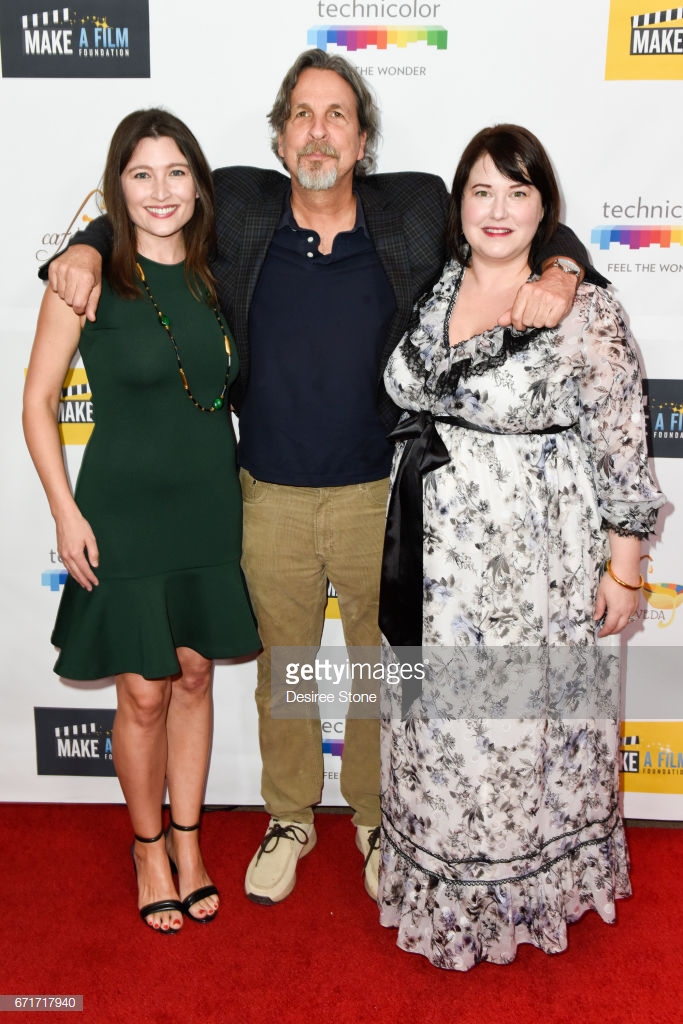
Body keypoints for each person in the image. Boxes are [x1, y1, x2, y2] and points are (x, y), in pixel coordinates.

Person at [42, 50, 603, 906]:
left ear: (363, 137)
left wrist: (563, 268)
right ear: (277, 138)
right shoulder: (236, 203)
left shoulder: (412, 209)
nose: (318, 131)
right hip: (265, 492)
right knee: (289, 671)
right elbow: (135, 204)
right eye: (301, 115)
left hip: (384, 492)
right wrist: (82, 245)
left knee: (386, 669)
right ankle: (291, 816)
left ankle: (378, 813)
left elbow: (519, 210)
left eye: (336, 114)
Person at [377, 124, 665, 969]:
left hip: (530, 571)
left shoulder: (585, 310)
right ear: (456, 205)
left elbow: (621, 451)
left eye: (518, 192)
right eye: (481, 191)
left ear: (546, 208)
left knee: (516, 736)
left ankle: (521, 892)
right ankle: (433, 877)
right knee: (435, 733)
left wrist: (624, 569)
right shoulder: (431, 286)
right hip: (429, 569)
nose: (497, 210)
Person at [24, 109, 260, 933]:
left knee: (194, 673)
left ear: (199, 184)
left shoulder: (216, 273)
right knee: (144, 690)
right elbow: (36, 401)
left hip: (207, 504)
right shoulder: (84, 278)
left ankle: (191, 843)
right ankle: (148, 846)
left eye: (175, 173)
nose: (160, 191)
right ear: (117, 187)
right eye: (140, 174)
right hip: (120, 509)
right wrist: (64, 510)